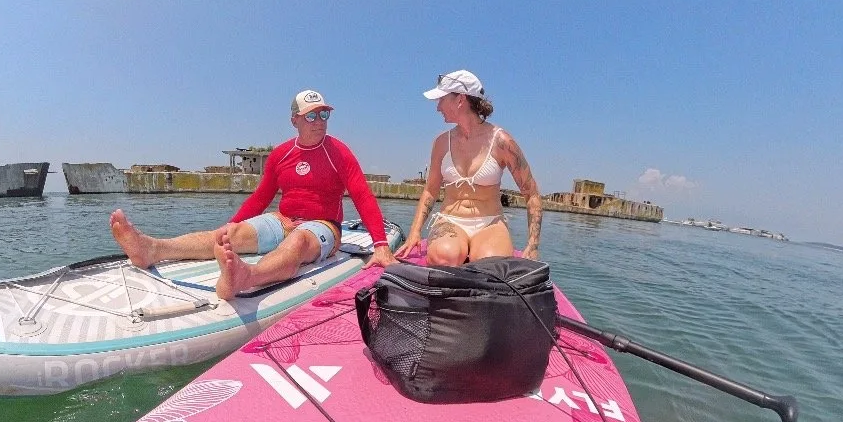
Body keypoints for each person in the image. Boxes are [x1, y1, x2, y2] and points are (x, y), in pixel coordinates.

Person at [111, 92, 391, 303]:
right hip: (282, 219)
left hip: (323, 224)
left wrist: (380, 244)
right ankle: (152, 249)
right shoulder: (281, 155)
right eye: (311, 116)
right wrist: (229, 226)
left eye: (324, 115)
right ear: (294, 120)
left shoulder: (338, 152)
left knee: (299, 241)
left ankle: (247, 277)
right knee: (232, 235)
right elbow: (260, 198)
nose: (319, 122)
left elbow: (362, 195)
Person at [399, 69, 542, 267]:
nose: (437, 107)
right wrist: (414, 232)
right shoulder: (441, 143)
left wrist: (532, 245)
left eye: (441, 99)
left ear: (460, 100)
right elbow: (431, 190)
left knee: (489, 264)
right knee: (444, 257)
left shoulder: (501, 142)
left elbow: (531, 194)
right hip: (451, 220)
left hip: (489, 222)